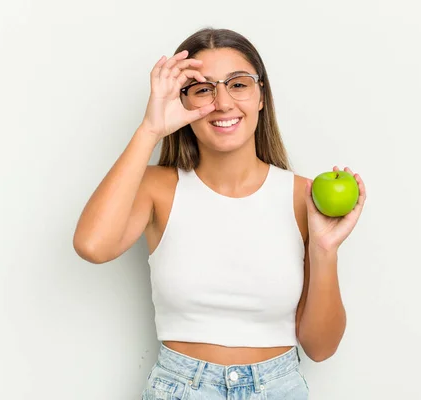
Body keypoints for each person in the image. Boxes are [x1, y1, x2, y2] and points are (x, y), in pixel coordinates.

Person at [73, 27, 366, 400]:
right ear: (184, 103)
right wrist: (151, 128)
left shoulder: (303, 196)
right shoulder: (157, 188)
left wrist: (325, 249)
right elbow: (91, 245)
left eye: (238, 84)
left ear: (261, 96)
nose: (223, 103)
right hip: (179, 387)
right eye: (204, 89)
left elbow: (320, 348)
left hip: (279, 387)